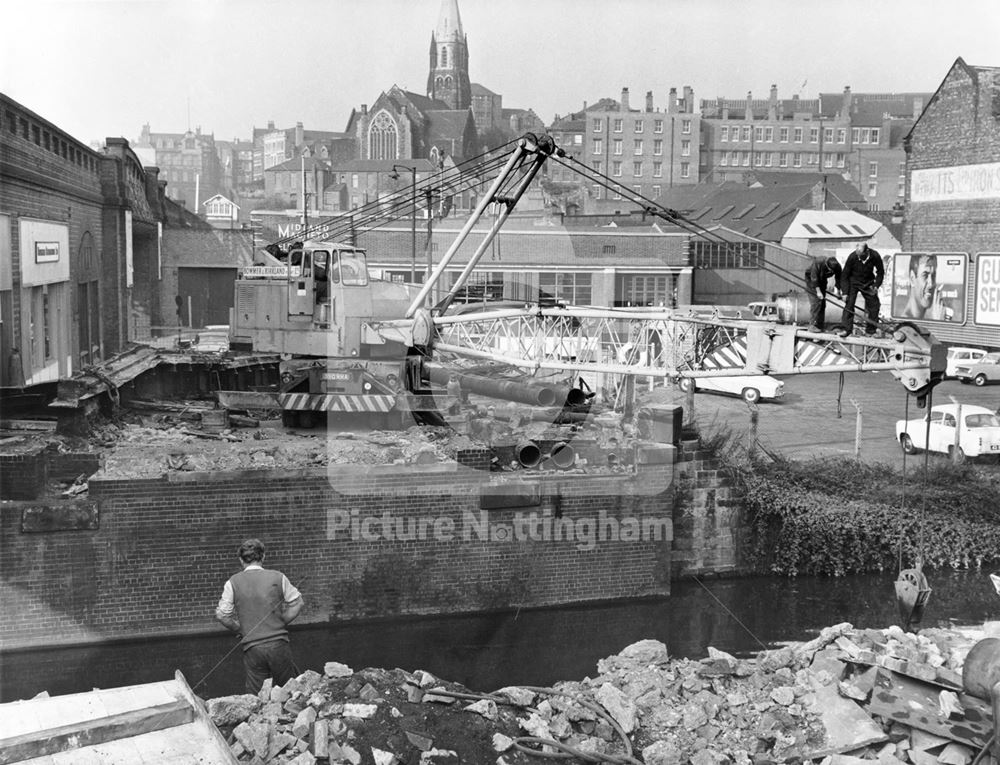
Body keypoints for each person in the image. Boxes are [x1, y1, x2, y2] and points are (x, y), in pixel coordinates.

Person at [215, 539, 304, 694]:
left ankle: (259, 717)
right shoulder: (278, 577)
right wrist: (280, 623)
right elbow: (297, 603)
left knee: (257, 695)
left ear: (241, 560)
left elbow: (222, 615)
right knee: (289, 691)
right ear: (263, 557)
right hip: (278, 644)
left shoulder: (232, 582)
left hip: (253, 648)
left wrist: (240, 629)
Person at [840, 240, 885, 336]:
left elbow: (880, 272)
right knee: (849, 304)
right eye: (858, 255)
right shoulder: (852, 257)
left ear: (867, 251)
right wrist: (844, 292)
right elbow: (844, 275)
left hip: (868, 283)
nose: (859, 257)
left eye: (861, 255)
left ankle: (870, 331)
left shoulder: (875, 256)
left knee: (874, 305)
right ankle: (846, 330)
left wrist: (876, 285)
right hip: (853, 283)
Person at [804, 255, 842, 332]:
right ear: (826, 265)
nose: (831, 272)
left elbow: (838, 279)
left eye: (832, 271)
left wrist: (838, 292)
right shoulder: (818, 262)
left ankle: (819, 325)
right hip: (811, 280)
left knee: (823, 304)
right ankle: (812, 325)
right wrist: (818, 291)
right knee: (817, 303)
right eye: (829, 270)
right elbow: (814, 278)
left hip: (822, 280)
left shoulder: (837, 266)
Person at [902, 254, 943, 320]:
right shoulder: (906, 323)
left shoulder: (925, 317)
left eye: (933, 276)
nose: (931, 284)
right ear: (912, 279)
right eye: (925, 276)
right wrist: (937, 321)